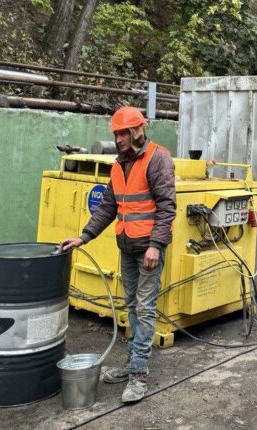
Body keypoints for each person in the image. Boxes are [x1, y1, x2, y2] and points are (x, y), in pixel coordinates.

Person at [60, 106, 176, 403]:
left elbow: (167, 206)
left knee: (145, 307)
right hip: (127, 246)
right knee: (132, 308)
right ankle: (131, 364)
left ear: (138, 130)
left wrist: (156, 245)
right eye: (116, 133)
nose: (119, 138)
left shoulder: (157, 159)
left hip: (148, 249)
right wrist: (84, 236)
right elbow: (109, 206)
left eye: (124, 132)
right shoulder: (118, 164)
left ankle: (139, 375)